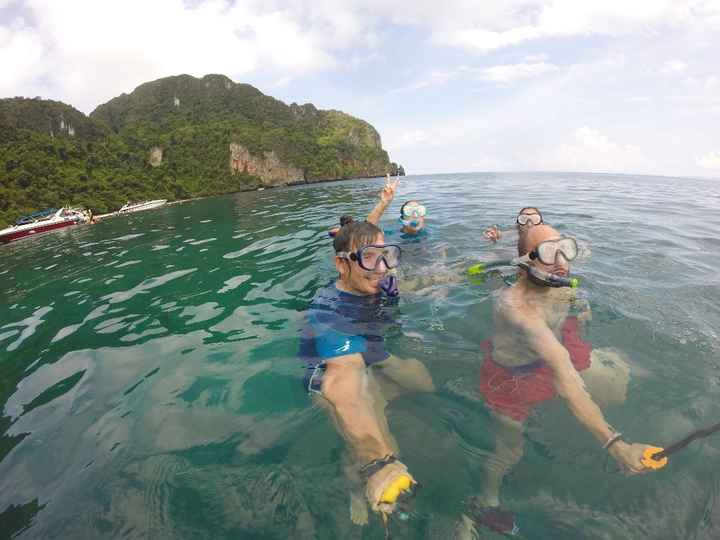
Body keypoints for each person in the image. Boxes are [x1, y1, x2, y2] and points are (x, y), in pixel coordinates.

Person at [459, 224, 659, 537]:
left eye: (566, 249)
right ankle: (483, 503)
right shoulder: (517, 308)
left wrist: (581, 309)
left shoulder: (562, 285)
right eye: (551, 252)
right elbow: (563, 374)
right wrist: (616, 445)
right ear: (525, 261)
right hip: (513, 376)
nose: (562, 260)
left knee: (617, 385)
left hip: (549, 352)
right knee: (510, 451)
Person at [300, 220, 434, 525]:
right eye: (370, 257)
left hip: (369, 363)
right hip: (327, 378)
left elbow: (425, 284)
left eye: (386, 255)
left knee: (424, 383)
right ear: (341, 264)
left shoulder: (379, 287)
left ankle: (364, 467)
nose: (382, 267)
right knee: (384, 446)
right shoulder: (329, 309)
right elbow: (342, 381)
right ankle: (360, 485)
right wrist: (379, 463)